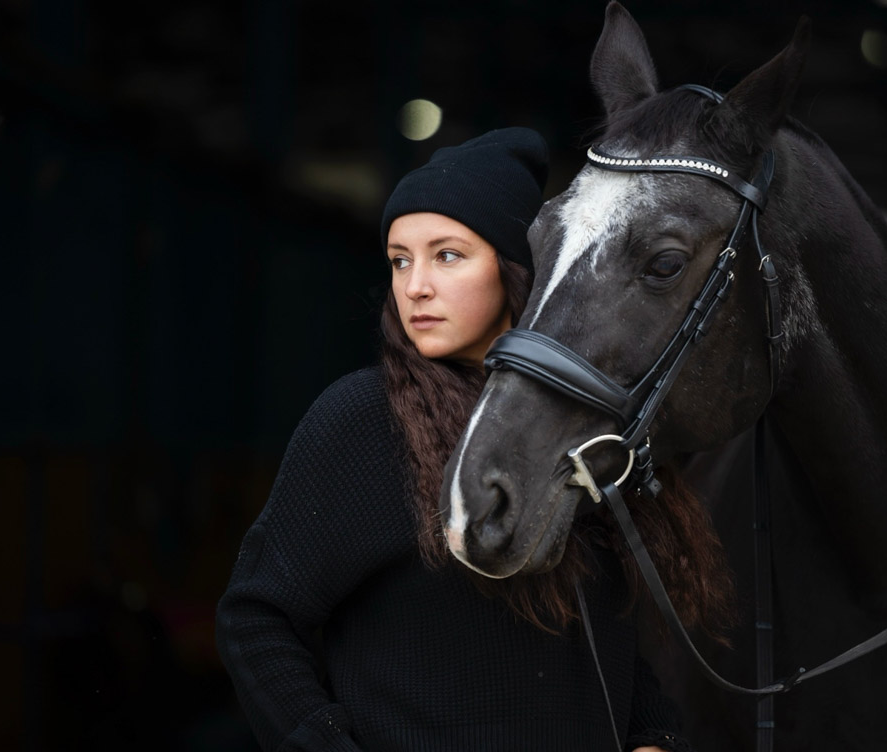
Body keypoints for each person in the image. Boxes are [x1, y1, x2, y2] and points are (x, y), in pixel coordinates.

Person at [216, 128, 718, 751]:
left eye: (446, 255)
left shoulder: (580, 423)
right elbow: (257, 620)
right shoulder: (363, 419)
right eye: (401, 260)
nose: (415, 286)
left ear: (513, 269)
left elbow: (595, 629)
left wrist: (652, 735)